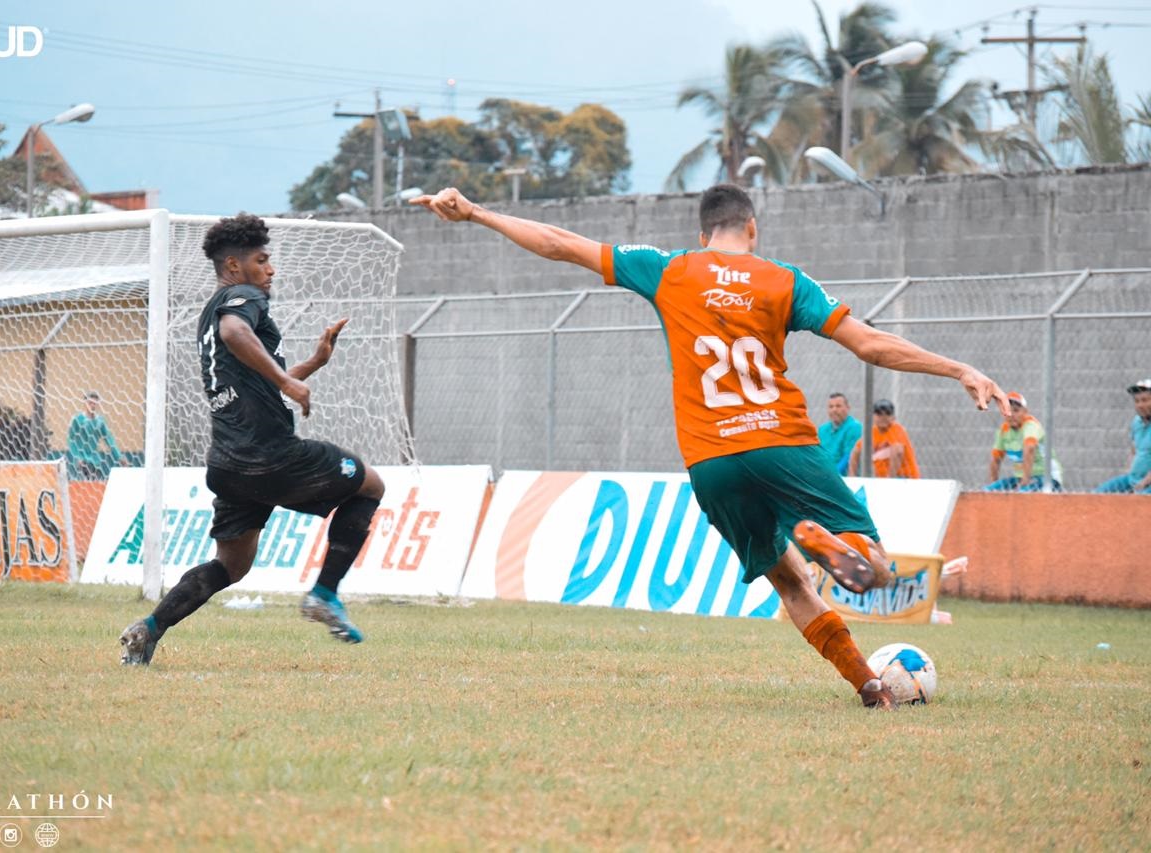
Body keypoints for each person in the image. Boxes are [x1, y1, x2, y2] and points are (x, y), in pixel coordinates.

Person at [412, 184, 1007, 709]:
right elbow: (869, 344)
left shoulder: (668, 268)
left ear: (702, 235)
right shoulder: (784, 280)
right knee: (874, 569)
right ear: (753, 228)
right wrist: (959, 369)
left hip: (711, 461)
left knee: (789, 584)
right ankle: (827, 541)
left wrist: (477, 213)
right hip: (782, 444)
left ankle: (868, 685)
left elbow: (560, 243)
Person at [119, 213, 386, 665]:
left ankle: (148, 630)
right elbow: (236, 331)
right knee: (371, 486)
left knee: (232, 565)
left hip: (229, 465)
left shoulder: (211, 313)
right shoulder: (240, 300)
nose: (270, 270)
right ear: (234, 266)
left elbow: (256, 379)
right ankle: (324, 594)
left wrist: (310, 365)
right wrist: (287, 382)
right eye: (261, 260)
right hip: (271, 455)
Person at [984, 392, 1063, 492]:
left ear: (1025, 412)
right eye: (1007, 411)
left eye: (1016, 410)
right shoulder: (1004, 430)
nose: (1011, 415)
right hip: (1020, 478)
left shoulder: (1031, 426)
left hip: (1046, 477)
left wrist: (1025, 481)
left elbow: (1029, 448)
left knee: (1023, 493)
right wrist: (994, 484)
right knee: (988, 491)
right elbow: (996, 459)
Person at [1094, 378, 1151, 495]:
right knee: (1096, 495)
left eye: (1145, 400)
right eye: (1137, 401)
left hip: (1147, 483)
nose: (1140, 405)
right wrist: (1131, 474)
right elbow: (1134, 451)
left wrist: (1143, 483)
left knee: (1137, 502)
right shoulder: (1137, 423)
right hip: (1133, 480)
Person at [849, 399, 920, 479]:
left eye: (887, 414)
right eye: (879, 414)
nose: (883, 417)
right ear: (873, 416)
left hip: (905, 478)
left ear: (893, 417)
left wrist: (889, 480)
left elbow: (898, 451)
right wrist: (852, 477)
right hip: (883, 479)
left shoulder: (896, 429)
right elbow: (855, 451)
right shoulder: (873, 432)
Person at [66, 391, 123, 480]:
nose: (92, 405)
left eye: (95, 403)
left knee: (97, 484)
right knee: (82, 484)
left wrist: (119, 456)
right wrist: (78, 457)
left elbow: (109, 440)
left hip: (95, 461)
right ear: (85, 403)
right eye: (90, 403)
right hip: (82, 461)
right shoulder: (77, 420)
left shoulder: (100, 421)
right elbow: (70, 440)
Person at [817, 392, 861, 476]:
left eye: (838, 406)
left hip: (844, 477)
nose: (834, 410)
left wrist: (832, 475)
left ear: (848, 408)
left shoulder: (854, 427)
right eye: (831, 406)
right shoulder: (822, 430)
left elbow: (848, 457)